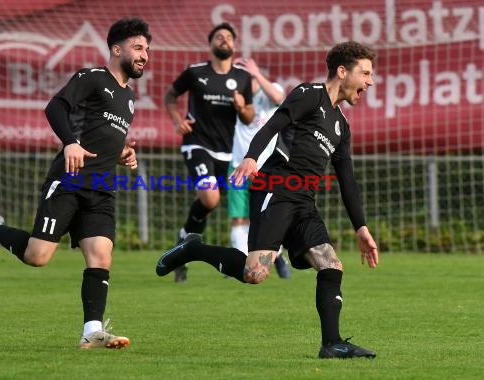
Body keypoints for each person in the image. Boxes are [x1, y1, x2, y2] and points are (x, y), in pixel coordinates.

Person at [156, 41, 379, 359]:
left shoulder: (341, 126)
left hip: (304, 202)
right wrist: (250, 158)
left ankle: (332, 344)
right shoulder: (308, 95)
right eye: (366, 73)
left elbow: (347, 180)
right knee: (255, 274)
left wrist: (362, 228)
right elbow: (274, 125)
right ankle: (194, 249)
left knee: (331, 265)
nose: (369, 81)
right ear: (343, 72)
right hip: (274, 190)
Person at [0, 17, 152, 349]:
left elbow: (103, 136)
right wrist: (70, 142)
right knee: (38, 256)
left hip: (102, 186)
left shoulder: (128, 97)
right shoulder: (92, 78)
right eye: (138, 47)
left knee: (101, 255)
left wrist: (123, 154)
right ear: (117, 49)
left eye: (147, 49)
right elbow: (55, 107)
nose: (145, 54)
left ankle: (92, 331)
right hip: (70, 180)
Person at [164, 22, 254, 283]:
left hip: (226, 153)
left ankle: (183, 244)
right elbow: (170, 96)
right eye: (219, 37)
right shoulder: (195, 73)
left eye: (228, 37)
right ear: (211, 43)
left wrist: (241, 107)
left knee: (208, 205)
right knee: (211, 199)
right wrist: (177, 120)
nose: (224, 40)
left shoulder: (242, 77)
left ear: (235, 45)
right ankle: (186, 245)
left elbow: (249, 117)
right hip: (197, 144)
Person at [228, 57, 291, 279]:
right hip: (238, 164)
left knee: (267, 217)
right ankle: (237, 262)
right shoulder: (235, 96)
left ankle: (279, 257)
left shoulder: (271, 89)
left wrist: (256, 73)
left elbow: (278, 97)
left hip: (267, 167)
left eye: (246, 75)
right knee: (239, 218)